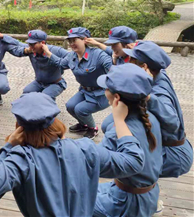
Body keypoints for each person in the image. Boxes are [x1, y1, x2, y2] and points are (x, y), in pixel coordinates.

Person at [0, 92, 146, 217]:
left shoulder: (21, 160)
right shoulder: (85, 149)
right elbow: (133, 162)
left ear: (18, 125)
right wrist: (119, 120)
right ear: (55, 120)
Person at [94, 63, 163, 217]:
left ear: (116, 98)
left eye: (106, 88)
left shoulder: (117, 132)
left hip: (127, 204)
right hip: (149, 193)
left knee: (74, 199)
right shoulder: (151, 119)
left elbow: (94, 165)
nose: (104, 91)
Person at [121, 41, 193, 178]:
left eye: (132, 60)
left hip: (174, 155)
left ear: (144, 67)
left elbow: (172, 123)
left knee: (134, 172)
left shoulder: (158, 92)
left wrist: (148, 97)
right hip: (175, 149)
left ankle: (147, 198)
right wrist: (140, 48)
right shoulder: (158, 74)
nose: (128, 63)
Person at [43, 27, 112, 139]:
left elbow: (113, 65)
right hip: (84, 91)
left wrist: (99, 44)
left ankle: (93, 129)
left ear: (85, 40)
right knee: (70, 106)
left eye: (74, 40)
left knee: (80, 109)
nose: (71, 44)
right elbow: (61, 63)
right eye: (70, 41)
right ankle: (83, 124)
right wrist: (47, 53)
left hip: (101, 94)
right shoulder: (72, 56)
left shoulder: (98, 55)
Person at [8, 29, 69, 100]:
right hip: (39, 83)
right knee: (27, 93)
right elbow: (16, 43)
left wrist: (49, 54)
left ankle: (50, 109)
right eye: (29, 44)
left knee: (43, 98)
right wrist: (3, 36)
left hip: (55, 83)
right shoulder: (31, 50)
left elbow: (71, 58)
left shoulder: (55, 50)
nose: (30, 46)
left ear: (43, 43)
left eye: (33, 44)